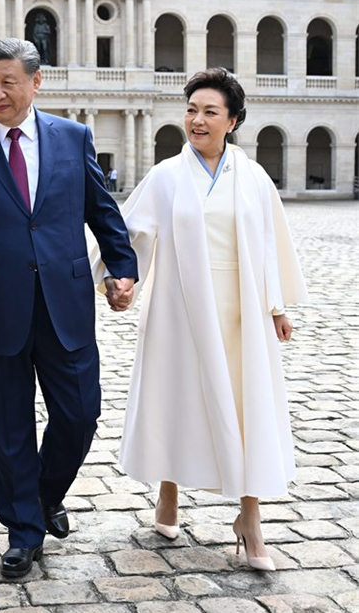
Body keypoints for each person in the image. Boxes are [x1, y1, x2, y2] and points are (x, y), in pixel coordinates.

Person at [0, 38, 137, 579]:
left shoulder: (73, 138)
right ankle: (22, 531)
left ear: (36, 81)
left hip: (64, 302)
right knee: (11, 427)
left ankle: (45, 494)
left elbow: (102, 210)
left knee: (80, 414)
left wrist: (123, 267)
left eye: (8, 82)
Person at [104, 68, 306, 571]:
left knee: (245, 407)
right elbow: (129, 234)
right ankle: (168, 495)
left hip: (241, 312)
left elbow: (267, 242)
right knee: (179, 399)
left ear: (232, 120)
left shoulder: (254, 177)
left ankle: (249, 517)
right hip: (178, 307)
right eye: (191, 109)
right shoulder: (167, 176)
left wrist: (276, 305)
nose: (197, 119)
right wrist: (119, 280)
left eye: (209, 111)